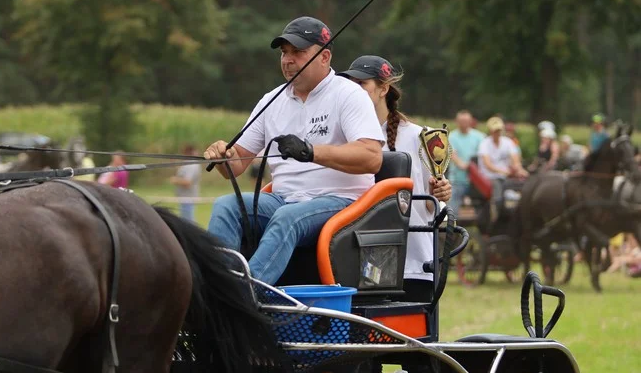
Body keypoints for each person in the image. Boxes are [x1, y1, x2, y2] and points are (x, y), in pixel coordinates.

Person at [203, 16, 384, 285]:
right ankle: (219, 286)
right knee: (226, 206)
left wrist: (311, 152)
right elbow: (237, 165)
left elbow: (371, 158)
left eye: (298, 52)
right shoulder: (271, 100)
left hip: (342, 202)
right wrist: (222, 155)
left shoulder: (348, 94)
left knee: (286, 218)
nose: (288, 60)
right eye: (284, 53)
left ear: (324, 57)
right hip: (284, 199)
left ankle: (244, 294)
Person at [338, 55, 452, 291]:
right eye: (350, 84)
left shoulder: (421, 137)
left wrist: (440, 192)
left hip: (412, 259)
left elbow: (429, 206)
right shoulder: (343, 137)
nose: (354, 90)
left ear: (384, 89)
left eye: (362, 84)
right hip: (357, 255)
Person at [448, 110, 484, 215]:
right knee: (453, 207)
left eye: (466, 121)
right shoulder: (452, 137)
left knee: (482, 206)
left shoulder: (479, 137)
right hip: (458, 179)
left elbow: (482, 155)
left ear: (471, 121)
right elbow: (452, 155)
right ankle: (452, 228)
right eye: (461, 121)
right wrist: (464, 165)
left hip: (476, 180)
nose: (464, 123)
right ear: (457, 121)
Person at [170, 143, 203, 222]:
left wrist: (175, 180)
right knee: (186, 220)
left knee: (188, 221)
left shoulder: (192, 164)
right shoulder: (188, 164)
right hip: (184, 197)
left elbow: (188, 182)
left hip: (188, 197)